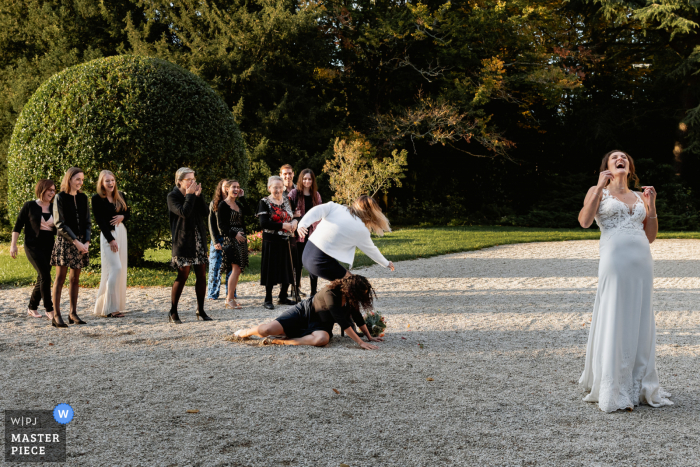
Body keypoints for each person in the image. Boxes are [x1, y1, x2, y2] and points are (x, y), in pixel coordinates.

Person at [578, 149, 672, 412]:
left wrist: (651, 206)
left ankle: (638, 383)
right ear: (607, 166)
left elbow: (650, 236)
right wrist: (598, 186)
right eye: (614, 158)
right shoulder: (598, 191)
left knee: (640, 317)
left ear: (629, 167)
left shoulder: (639, 196)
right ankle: (614, 387)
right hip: (614, 261)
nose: (620, 159)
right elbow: (585, 221)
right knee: (615, 315)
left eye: (624, 158)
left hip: (642, 263)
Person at [233, 274, 384, 350]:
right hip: (303, 314)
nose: (363, 297)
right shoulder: (331, 293)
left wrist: (369, 337)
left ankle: (281, 341)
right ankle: (244, 332)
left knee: (322, 340)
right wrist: (360, 342)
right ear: (351, 290)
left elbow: (357, 316)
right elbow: (342, 320)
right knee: (267, 329)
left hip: (321, 324)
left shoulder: (350, 299)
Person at [297, 195, 395, 284]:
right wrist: (386, 263)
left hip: (306, 254)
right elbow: (372, 250)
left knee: (341, 284)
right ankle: (322, 303)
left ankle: (329, 302)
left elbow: (317, 210)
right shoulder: (361, 229)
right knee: (350, 284)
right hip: (320, 260)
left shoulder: (336, 207)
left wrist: (302, 224)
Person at [167, 167, 212, 323]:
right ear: (180, 181)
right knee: (183, 275)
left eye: (194, 179)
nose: (193, 182)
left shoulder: (194, 195)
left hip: (198, 240)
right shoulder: (173, 196)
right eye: (189, 180)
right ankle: (173, 311)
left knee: (201, 275)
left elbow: (206, 212)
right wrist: (191, 195)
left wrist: (198, 197)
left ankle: (201, 309)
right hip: (183, 241)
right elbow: (184, 213)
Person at [10, 179, 57, 320]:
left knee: (42, 277)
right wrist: (13, 244)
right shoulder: (29, 206)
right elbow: (17, 226)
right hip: (32, 245)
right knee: (45, 276)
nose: (52, 193)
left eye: (54, 190)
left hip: (49, 245)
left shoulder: (55, 207)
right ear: (42, 189)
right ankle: (49, 309)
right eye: (50, 190)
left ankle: (32, 307)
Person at [51, 167, 91, 327]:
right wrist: (76, 242)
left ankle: (73, 313)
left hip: (82, 242)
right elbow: (59, 223)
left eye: (82, 180)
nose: (80, 183)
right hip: (65, 242)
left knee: (75, 279)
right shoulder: (59, 197)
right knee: (60, 278)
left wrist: (86, 242)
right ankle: (57, 315)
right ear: (69, 179)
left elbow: (88, 222)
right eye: (77, 179)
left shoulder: (83, 198)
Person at [92, 170, 130, 318]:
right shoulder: (97, 199)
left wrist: (122, 216)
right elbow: (100, 222)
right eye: (107, 181)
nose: (110, 183)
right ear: (101, 182)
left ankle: (106, 306)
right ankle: (110, 309)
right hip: (109, 235)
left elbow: (128, 213)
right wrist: (110, 239)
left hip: (122, 233)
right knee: (115, 268)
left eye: (112, 180)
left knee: (119, 269)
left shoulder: (120, 195)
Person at [257, 175, 297, 309]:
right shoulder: (264, 202)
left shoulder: (287, 200)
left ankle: (283, 296)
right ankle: (268, 299)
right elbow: (264, 223)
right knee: (271, 269)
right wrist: (282, 226)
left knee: (287, 267)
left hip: (287, 239)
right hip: (271, 240)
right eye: (275, 187)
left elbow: (295, 215)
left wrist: (295, 222)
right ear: (269, 188)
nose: (278, 190)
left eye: (280, 187)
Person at [288, 169, 322, 296]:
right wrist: (294, 217)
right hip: (298, 234)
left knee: (313, 262)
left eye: (309, 179)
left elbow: (320, 214)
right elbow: (285, 212)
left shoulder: (316, 195)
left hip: (313, 233)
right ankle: (295, 290)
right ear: (301, 180)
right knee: (297, 264)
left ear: (313, 181)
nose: (307, 181)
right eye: (304, 179)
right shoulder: (294, 193)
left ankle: (314, 291)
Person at [218, 179, 249, 309]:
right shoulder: (223, 205)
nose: (236, 189)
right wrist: (235, 234)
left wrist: (243, 198)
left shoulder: (239, 204)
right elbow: (221, 226)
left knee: (239, 269)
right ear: (227, 189)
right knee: (235, 269)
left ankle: (231, 298)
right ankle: (229, 299)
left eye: (238, 187)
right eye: (233, 187)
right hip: (231, 239)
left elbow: (248, 212)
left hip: (241, 239)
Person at [206, 179, 231, 300]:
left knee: (230, 268)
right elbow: (211, 224)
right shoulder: (214, 203)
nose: (227, 188)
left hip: (231, 239)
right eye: (225, 186)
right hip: (217, 238)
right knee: (214, 267)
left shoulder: (234, 203)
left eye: (229, 186)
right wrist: (215, 241)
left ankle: (230, 293)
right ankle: (212, 294)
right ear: (220, 188)